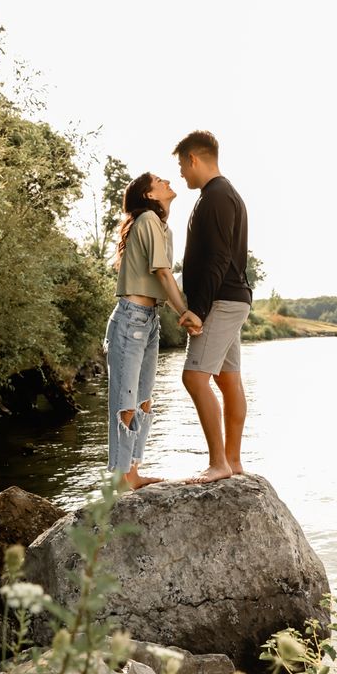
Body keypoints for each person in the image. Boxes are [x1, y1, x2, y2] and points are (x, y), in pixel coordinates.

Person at [104, 172, 202, 490]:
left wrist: (177, 311)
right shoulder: (147, 218)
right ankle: (122, 476)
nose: (168, 182)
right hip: (130, 319)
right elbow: (162, 273)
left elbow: (165, 273)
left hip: (149, 321)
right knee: (126, 400)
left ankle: (133, 471)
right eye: (159, 181)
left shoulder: (163, 227)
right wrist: (184, 311)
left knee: (145, 400)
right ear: (148, 195)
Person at [173, 131, 253, 483]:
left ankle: (219, 462)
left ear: (194, 159)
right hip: (232, 299)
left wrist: (199, 310)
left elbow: (219, 258)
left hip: (220, 301)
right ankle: (232, 462)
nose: (180, 174)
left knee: (194, 376)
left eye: (180, 165)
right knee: (226, 377)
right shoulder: (222, 194)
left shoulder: (217, 197)